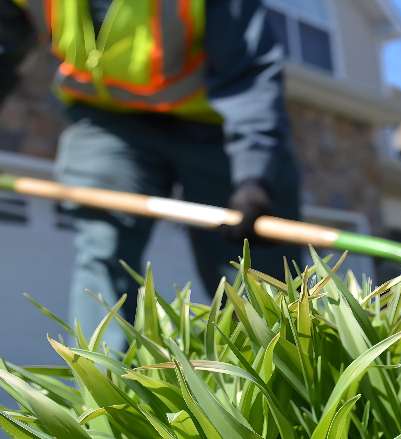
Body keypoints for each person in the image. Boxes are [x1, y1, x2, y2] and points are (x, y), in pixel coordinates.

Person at [0, 0, 301, 348]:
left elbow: (249, 75)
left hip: (216, 125)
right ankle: (106, 392)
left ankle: (279, 376)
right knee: (102, 246)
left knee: (250, 265)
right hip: (109, 120)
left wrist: (254, 176)